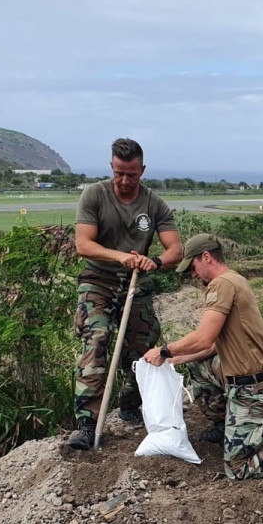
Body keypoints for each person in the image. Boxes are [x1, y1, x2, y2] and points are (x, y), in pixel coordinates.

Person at [141, 233, 263, 488]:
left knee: (238, 468)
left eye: (193, 268)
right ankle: (225, 424)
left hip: (251, 389)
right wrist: (178, 359)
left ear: (206, 257)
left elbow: (204, 338)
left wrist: (165, 351)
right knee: (198, 366)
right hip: (246, 376)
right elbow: (213, 346)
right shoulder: (234, 280)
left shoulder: (221, 285)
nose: (193, 275)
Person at [68, 138, 183, 451]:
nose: (124, 180)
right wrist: (121, 256)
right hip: (98, 278)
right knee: (98, 336)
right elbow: (83, 244)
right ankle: (87, 422)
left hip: (137, 280)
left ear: (142, 170)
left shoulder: (154, 204)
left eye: (131, 174)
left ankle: (130, 405)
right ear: (111, 167)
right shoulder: (94, 195)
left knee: (145, 345)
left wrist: (154, 261)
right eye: (119, 173)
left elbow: (176, 249)